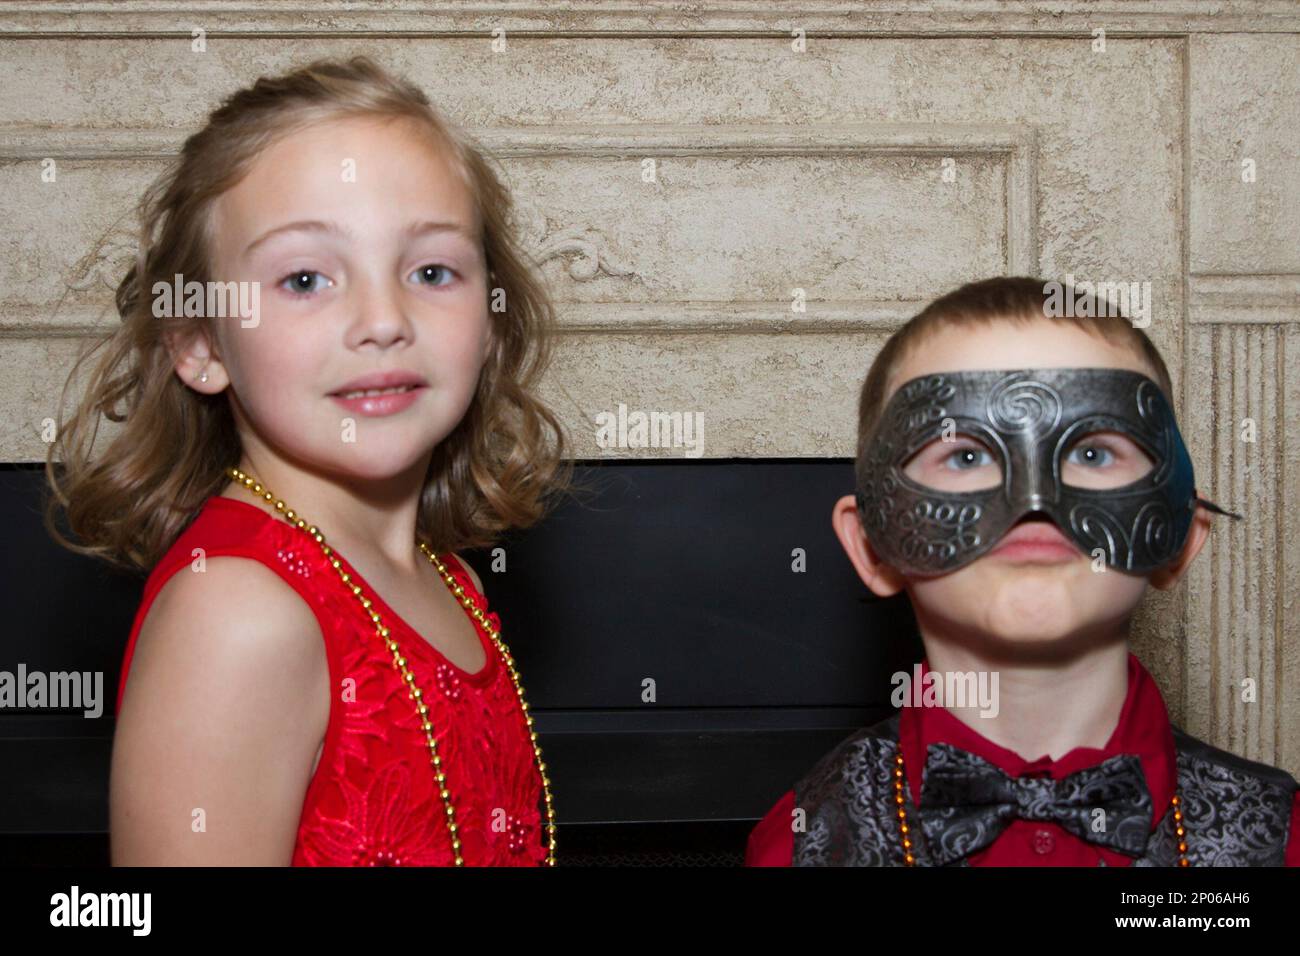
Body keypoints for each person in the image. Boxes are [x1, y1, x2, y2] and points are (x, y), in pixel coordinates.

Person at [44, 55, 572, 865]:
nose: (383, 319)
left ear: (492, 320)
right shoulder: (236, 613)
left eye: (432, 271)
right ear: (200, 343)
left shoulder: (450, 579)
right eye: (303, 279)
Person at [746, 276, 1300, 866]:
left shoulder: (1281, 839)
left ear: (1180, 534)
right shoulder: (801, 843)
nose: (1033, 499)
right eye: (965, 455)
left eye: (1093, 452)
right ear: (871, 546)